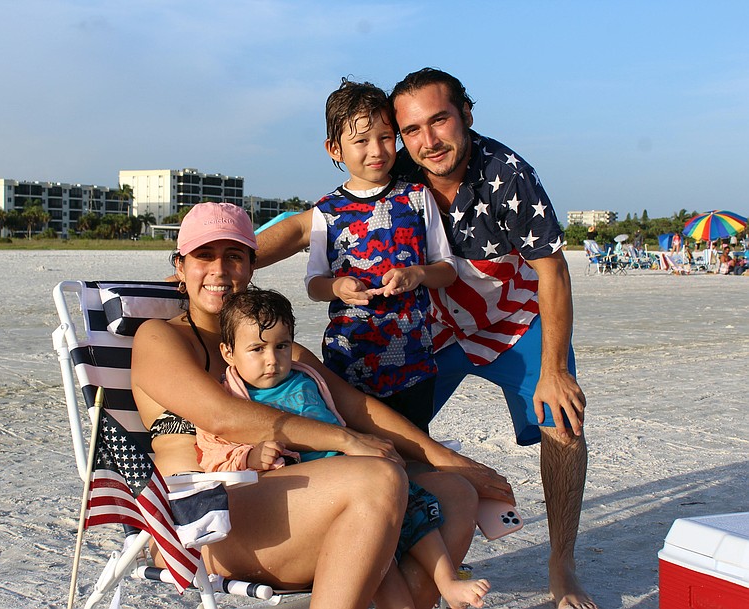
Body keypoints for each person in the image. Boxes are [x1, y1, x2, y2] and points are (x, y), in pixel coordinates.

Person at [255, 68, 595, 609]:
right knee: (386, 432)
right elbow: (303, 227)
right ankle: (386, 547)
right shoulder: (398, 161)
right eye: (411, 129)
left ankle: (563, 564)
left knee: (563, 420)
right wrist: (221, 263)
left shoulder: (507, 174)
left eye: (440, 121)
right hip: (436, 327)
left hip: (513, 318)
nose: (427, 140)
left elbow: (552, 269)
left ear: (467, 115)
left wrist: (553, 370)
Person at [133, 202, 512, 609]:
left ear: (252, 266)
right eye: (203, 256)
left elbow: (357, 407)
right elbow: (223, 416)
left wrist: (448, 460)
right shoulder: (159, 338)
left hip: (290, 497)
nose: (219, 270)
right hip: (205, 519)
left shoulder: (281, 350)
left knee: (455, 494)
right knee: (379, 478)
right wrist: (345, 440)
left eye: (234, 257)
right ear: (180, 266)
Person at [197, 288, 491, 609]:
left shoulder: (305, 378)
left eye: (281, 346)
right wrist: (251, 456)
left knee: (415, 516)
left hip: (356, 484)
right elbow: (213, 457)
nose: (272, 359)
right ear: (228, 353)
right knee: (382, 559)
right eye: (257, 349)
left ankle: (446, 580)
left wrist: (369, 447)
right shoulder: (232, 398)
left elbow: (344, 416)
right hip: (303, 501)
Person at [306, 79, 456, 432]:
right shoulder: (326, 211)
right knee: (362, 449)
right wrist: (337, 287)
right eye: (361, 141)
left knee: (414, 447)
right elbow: (314, 284)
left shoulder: (417, 197)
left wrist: (418, 274)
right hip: (348, 362)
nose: (376, 150)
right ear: (334, 149)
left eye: (386, 137)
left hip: (414, 363)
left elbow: (447, 269)